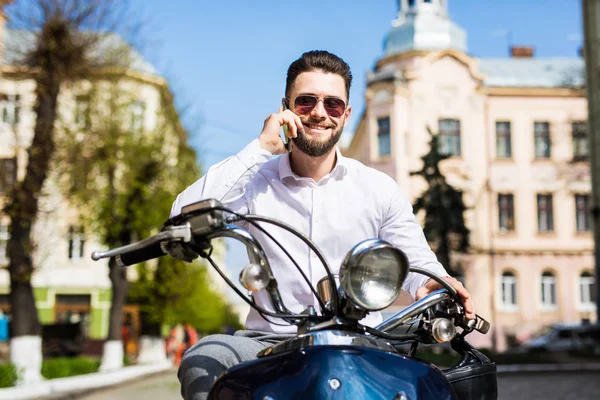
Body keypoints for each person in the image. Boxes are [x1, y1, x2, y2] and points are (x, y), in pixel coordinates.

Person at [171, 50, 475, 400]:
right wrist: (260, 147)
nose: (319, 112)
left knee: (424, 385)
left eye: (332, 104)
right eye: (306, 102)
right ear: (285, 107)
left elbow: (416, 262)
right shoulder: (253, 180)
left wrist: (433, 285)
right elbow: (181, 215)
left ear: (345, 115)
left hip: (364, 338)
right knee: (203, 360)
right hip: (269, 342)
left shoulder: (377, 188)